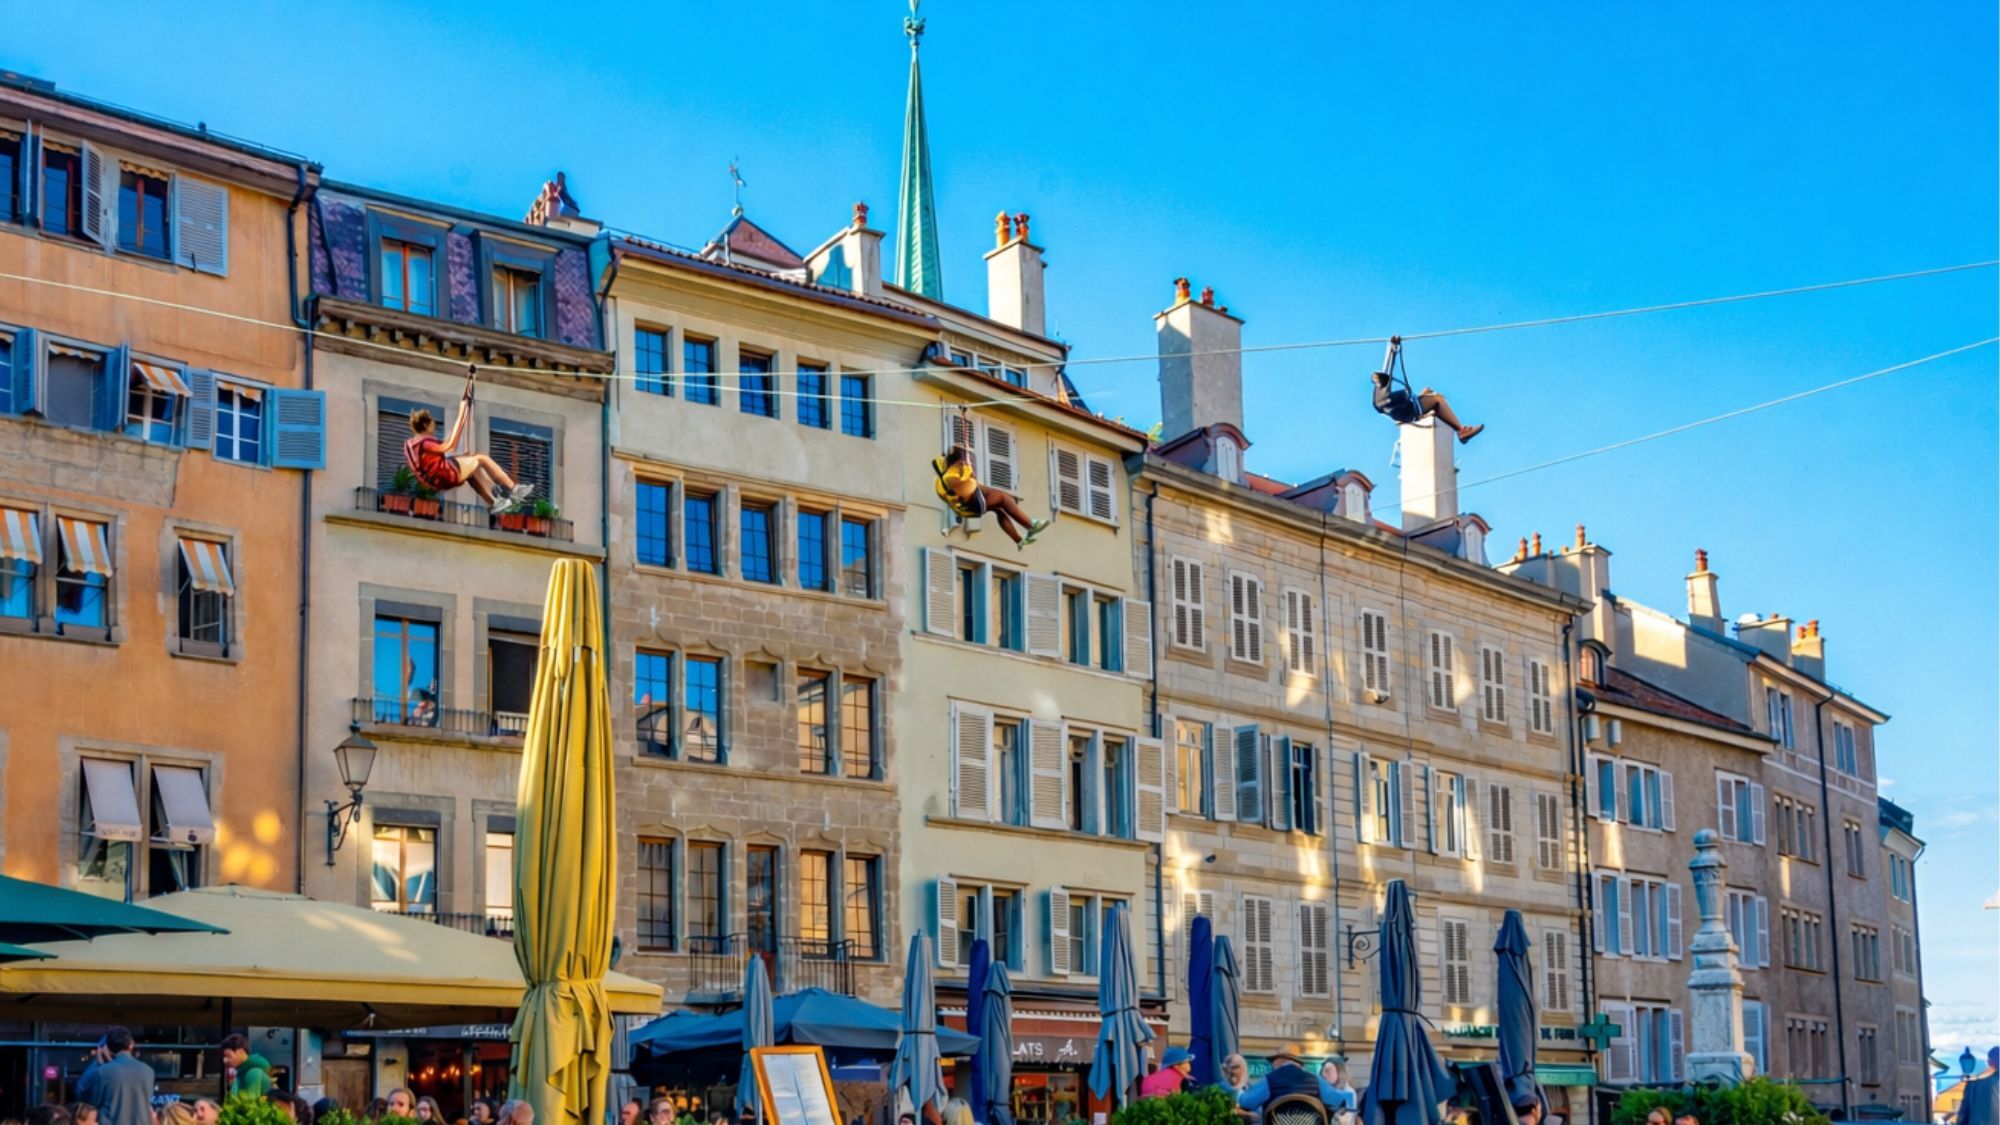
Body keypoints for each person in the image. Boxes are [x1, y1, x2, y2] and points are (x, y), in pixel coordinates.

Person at [402, 375, 533, 515]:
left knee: (472, 470)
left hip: (437, 479)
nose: (434, 427)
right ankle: (513, 488)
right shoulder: (424, 443)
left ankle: (495, 501)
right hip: (445, 474)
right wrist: (461, 415)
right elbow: (450, 446)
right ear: (426, 425)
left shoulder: (412, 446)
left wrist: (467, 389)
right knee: (482, 459)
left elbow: (435, 462)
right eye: (432, 424)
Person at [932, 444, 1049, 549]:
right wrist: (968, 472)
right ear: (957, 462)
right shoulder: (950, 477)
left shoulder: (946, 473)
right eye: (965, 461)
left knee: (1000, 510)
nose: (969, 463)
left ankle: (1019, 540)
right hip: (971, 505)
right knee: (1003, 499)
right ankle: (1031, 526)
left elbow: (977, 487)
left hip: (966, 506)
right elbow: (968, 488)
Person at [1370, 338, 1482, 444]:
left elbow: (1387, 368)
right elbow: (1387, 369)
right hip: (1408, 411)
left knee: (1433, 397)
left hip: (1403, 410)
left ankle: (1459, 429)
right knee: (1437, 399)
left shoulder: (1379, 397)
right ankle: (1461, 431)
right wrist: (1392, 348)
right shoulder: (1383, 393)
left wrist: (1393, 347)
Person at [1237, 1047, 1354, 1114]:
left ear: (1280, 1061)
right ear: (1298, 1064)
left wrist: (1239, 1086)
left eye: (1273, 1062)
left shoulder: (1270, 1079)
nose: (1272, 1065)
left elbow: (1245, 1102)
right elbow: (1341, 1100)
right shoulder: (1315, 1079)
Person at [80, 1028, 154, 1125]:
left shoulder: (102, 1072)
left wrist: (99, 1064)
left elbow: (92, 1103)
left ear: (109, 1048)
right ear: (131, 1044)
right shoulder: (148, 1071)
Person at [222, 1035, 274, 1099]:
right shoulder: (240, 1071)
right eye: (224, 1057)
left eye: (228, 1056)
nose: (225, 1060)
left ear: (240, 1051)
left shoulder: (255, 1068)